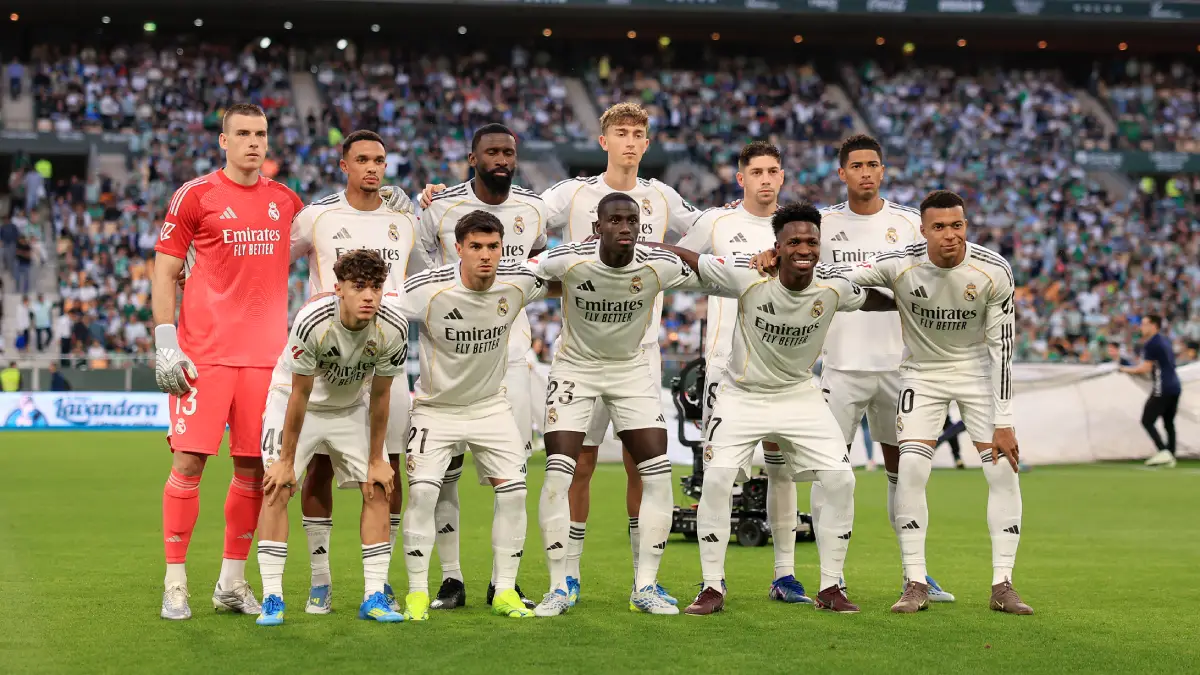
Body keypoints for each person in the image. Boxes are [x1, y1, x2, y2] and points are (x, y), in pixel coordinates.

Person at [412, 102, 697, 607]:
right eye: (621, 133)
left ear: (648, 143)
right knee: (571, 465)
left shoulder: (663, 197)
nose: (630, 142)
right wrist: (439, 198)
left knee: (642, 467)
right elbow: (509, 216)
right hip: (576, 355)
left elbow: (703, 240)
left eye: (638, 134)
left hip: (641, 353)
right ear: (604, 140)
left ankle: (642, 582)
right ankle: (561, 580)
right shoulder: (568, 195)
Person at [654, 201, 895, 614]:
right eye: (794, 241)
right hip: (742, 394)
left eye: (811, 241)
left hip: (799, 395)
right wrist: (632, 242)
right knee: (716, 480)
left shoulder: (833, 287)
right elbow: (689, 258)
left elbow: (875, 299)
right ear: (777, 247)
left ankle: (831, 586)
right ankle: (712, 587)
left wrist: (912, 300)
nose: (805, 248)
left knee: (841, 481)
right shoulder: (747, 274)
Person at [825, 189, 1030, 615]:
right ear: (924, 230)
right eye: (939, 227)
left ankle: (1003, 584)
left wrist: (1004, 419)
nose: (950, 235)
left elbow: (1003, 349)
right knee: (912, 467)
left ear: (965, 226)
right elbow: (843, 275)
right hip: (922, 372)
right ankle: (915, 580)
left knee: (1003, 473)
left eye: (957, 225)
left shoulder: (994, 270)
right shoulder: (901, 263)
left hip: (976, 373)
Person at [152, 102, 304, 621]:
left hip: (266, 362)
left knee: (253, 469)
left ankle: (232, 583)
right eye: (242, 133)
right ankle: (175, 582)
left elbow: (333, 235)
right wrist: (165, 340)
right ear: (223, 141)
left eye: (260, 133)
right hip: (205, 358)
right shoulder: (196, 196)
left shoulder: (286, 202)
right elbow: (165, 268)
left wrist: (387, 203)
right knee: (188, 464)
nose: (253, 142)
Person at [529, 192, 701, 617]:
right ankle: (559, 585)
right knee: (560, 472)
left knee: (655, 472)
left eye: (632, 220)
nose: (625, 227)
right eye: (615, 220)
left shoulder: (656, 262)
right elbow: (518, 275)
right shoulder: (567, 259)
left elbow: (715, 272)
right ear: (597, 227)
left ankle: (645, 585)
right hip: (576, 369)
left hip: (632, 369)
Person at [397, 211, 560, 621]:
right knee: (422, 493)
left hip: (490, 407)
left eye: (492, 247)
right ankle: (418, 591)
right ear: (459, 249)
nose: (485, 256)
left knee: (515, 491)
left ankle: (504, 589)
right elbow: (381, 306)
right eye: (476, 247)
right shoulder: (427, 289)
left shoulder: (518, 281)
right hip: (436, 409)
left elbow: (568, 275)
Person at [816, 134, 955, 602]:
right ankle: (830, 579)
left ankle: (915, 574)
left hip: (899, 367)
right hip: (841, 367)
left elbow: (928, 285)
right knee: (831, 473)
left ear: (883, 169)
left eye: (873, 164)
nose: (866, 173)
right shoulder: (824, 224)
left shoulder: (908, 225)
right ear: (842, 173)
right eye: (856, 165)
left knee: (906, 473)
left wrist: (863, 297)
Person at [288, 129, 422, 615]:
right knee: (319, 465)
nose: (372, 167)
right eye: (362, 159)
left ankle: (379, 584)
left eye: (380, 160)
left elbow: (426, 272)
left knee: (387, 470)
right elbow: (268, 261)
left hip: (388, 359)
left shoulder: (405, 222)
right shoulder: (319, 217)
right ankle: (321, 581)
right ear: (343, 165)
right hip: (331, 360)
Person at [415, 123, 546, 611]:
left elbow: (538, 268)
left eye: (508, 151)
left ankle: (503, 582)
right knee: (443, 475)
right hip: (448, 359)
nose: (501, 159)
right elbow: (420, 268)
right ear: (472, 157)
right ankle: (451, 579)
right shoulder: (439, 207)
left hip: (510, 358)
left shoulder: (532, 210)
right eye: (491, 151)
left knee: (509, 478)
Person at [675, 141, 811, 604]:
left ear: (783, 176)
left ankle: (785, 575)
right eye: (757, 172)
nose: (766, 179)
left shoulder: (799, 228)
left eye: (774, 170)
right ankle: (712, 581)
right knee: (718, 474)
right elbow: (675, 262)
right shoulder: (716, 222)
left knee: (782, 472)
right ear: (741, 178)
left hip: (785, 371)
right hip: (726, 370)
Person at [255, 249, 409, 626]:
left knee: (377, 486)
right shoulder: (312, 322)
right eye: (359, 287)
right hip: (295, 404)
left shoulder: (394, 326)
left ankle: (374, 594)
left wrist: (377, 458)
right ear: (339, 289)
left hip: (348, 407)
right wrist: (287, 461)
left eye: (375, 287)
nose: (369, 296)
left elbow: (381, 395)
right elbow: (300, 395)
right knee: (277, 485)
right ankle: (272, 598)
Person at [1121, 315, 1181, 468]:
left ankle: (1163, 452)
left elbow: (1145, 368)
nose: (1141, 327)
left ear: (1154, 325)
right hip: (1175, 386)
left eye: (1144, 324)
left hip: (1163, 387)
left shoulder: (1151, 344)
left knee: (1147, 420)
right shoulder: (1165, 340)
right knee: (1169, 423)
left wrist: (1124, 369)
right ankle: (1171, 455)